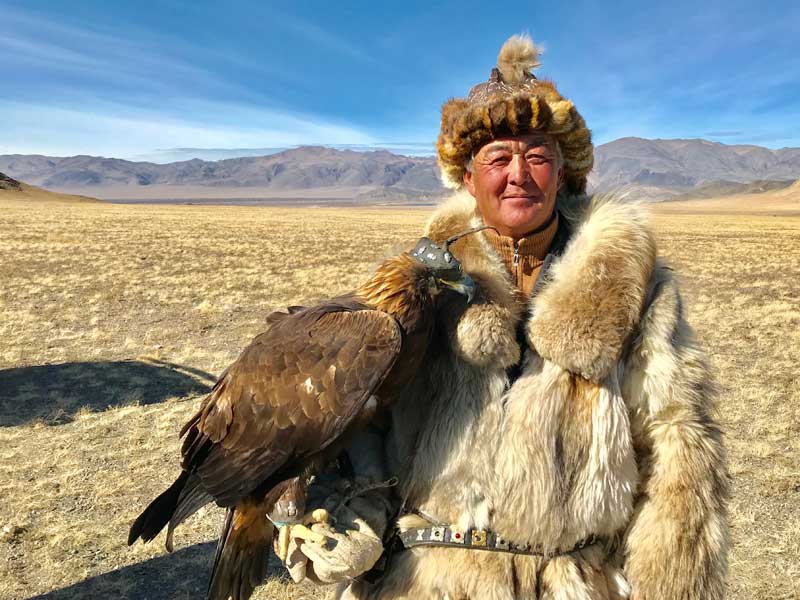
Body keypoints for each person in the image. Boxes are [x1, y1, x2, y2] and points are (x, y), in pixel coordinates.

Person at [279, 34, 729, 600]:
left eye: (538, 155)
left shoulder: (637, 289)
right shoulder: (420, 285)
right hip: (424, 579)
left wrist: (673, 583)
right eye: (497, 158)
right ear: (468, 178)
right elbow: (367, 419)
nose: (519, 173)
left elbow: (676, 448)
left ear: (563, 174)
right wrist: (354, 506)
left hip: (574, 580)